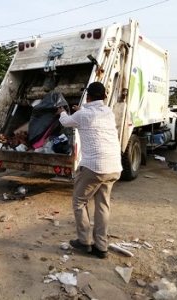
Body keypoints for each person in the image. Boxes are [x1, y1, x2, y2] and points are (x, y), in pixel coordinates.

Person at [57, 82, 122, 259]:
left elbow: (66, 121)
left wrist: (62, 111)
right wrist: (80, 110)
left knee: (79, 201)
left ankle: (84, 241)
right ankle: (101, 247)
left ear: (88, 96)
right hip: (114, 167)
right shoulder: (107, 112)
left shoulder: (83, 115)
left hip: (94, 167)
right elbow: (88, 116)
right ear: (104, 97)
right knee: (102, 204)